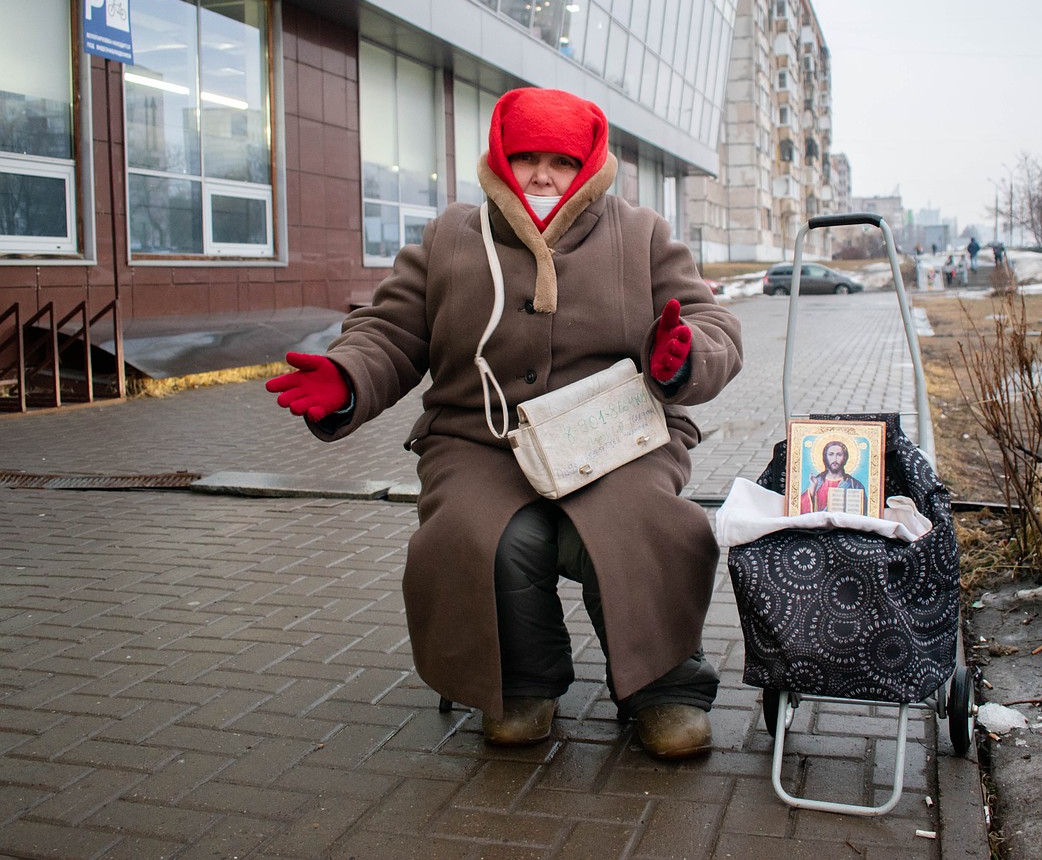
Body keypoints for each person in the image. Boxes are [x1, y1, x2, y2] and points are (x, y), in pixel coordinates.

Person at [265, 87, 743, 760]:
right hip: (479, 442)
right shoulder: (448, 236)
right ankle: (520, 685)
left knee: (647, 523)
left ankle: (664, 688)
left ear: (589, 165)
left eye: (560, 160)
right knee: (485, 534)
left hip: (616, 438)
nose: (542, 174)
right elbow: (390, 331)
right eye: (525, 158)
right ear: (499, 159)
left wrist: (684, 354)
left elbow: (714, 324)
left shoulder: (642, 234)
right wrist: (348, 378)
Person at [799, 440, 866, 513]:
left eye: (839, 454)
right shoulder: (816, 483)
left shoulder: (855, 485)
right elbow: (800, 511)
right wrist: (812, 490)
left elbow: (864, 513)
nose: (835, 459)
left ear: (845, 458)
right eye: (831, 454)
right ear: (825, 457)